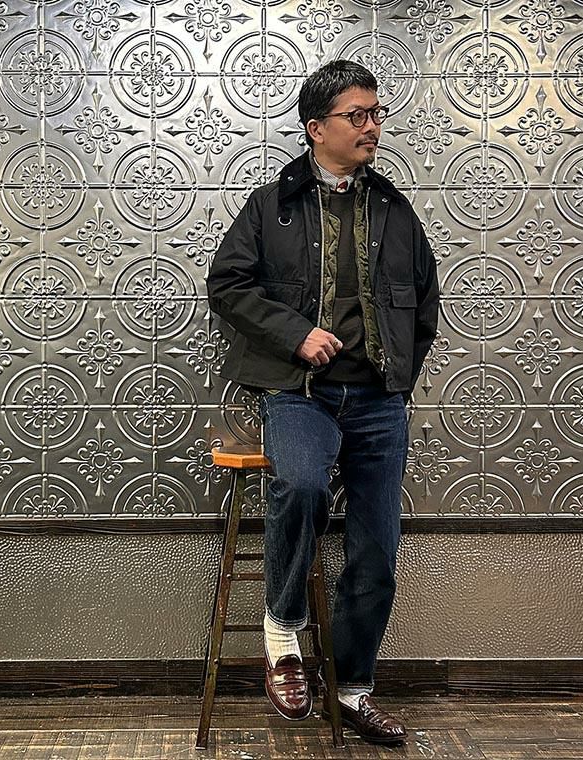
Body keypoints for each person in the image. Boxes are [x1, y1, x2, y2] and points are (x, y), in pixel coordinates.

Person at [207, 59, 439, 745]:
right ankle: (283, 636)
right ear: (317, 128)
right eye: (355, 116)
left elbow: (425, 303)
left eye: (376, 113)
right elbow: (228, 286)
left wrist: (397, 377)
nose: (372, 127)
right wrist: (295, 335)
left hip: (377, 401)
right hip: (300, 395)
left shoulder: (395, 209)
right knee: (302, 486)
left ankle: (354, 689)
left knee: (378, 549)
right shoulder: (271, 205)